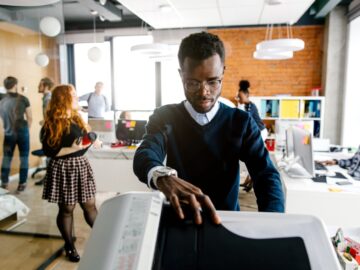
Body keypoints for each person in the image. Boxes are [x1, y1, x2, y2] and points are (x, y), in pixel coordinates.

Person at [133, 32, 284, 225]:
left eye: (213, 82)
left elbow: (266, 174)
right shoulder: (165, 117)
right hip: (181, 222)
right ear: (181, 75)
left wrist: (274, 225)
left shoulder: (241, 122)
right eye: (193, 83)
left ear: (223, 73)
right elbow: (146, 153)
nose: (204, 93)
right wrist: (162, 177)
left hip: (228, 222)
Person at [41, 84, 100, 262]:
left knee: (90, 205)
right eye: (73, 95)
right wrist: (73, 147)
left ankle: (104, 235)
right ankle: (69, 245)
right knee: (67, 208)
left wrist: (91, 141)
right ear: (64, 99)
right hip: (63, 168)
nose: (76, 98)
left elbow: (83, 142)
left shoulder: (77, 118)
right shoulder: (51, 124)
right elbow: (50, 152)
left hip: (80, 165)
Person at [0, 76, 32, 192]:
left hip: (9, 131)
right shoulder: (23, 99)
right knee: (24, 157)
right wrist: (26, 129)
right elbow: (30, 117)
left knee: (7, 158)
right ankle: (22, 184)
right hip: (22, 130)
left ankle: (4, 183)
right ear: (15, 85)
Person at [236, 80, 268, 192]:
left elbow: (247, 120)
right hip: (259, 131)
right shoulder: (247, 105)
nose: (239, 99)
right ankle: (249, 181)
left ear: (246, 95)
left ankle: (251, 181)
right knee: (252, 155)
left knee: (254, 155)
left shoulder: (249, 106)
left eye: (240, 97)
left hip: (261, 132)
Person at [35, 77, 54, 186]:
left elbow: (50, 116)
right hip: (48, 129)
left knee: (49, 155)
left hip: (50, 131)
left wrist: (44, 122)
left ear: (46, 86)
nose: (38, 86)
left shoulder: (48, 98)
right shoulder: (46, 98)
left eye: (40, 85)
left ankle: (49, 179)